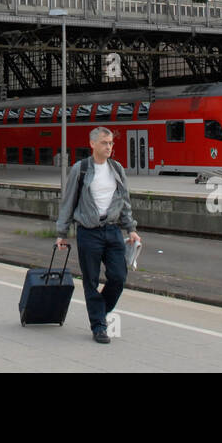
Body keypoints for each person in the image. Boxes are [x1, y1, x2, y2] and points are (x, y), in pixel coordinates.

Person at [55, 126, 142, 345]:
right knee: (91, 281)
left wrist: (130, 229)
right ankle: (99, 326)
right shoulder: (80, 169)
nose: (109, 147)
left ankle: (99, 310)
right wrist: (61, 233)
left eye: (111, 143)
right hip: (88, 232)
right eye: (104, 143)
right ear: (92, 144)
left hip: (112, 231)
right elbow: (68, 202)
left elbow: (124, 202)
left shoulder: (117, 169)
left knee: (119, 276)